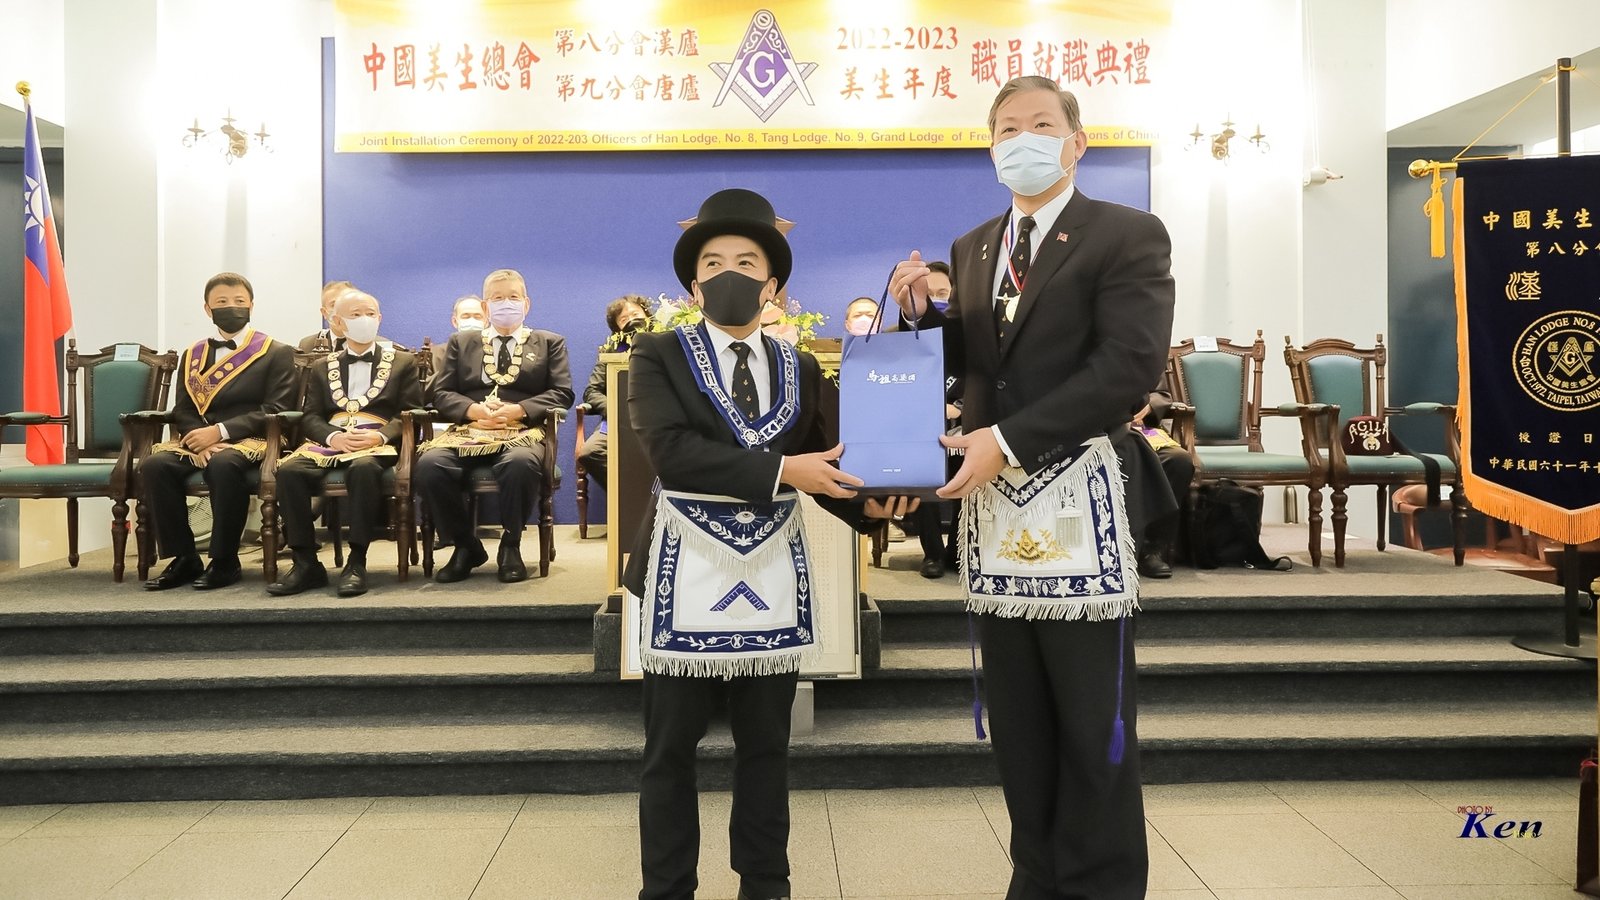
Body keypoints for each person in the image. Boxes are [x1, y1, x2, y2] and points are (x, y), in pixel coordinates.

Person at [889, 76, 1175, 899]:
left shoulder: (1126, 233)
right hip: (998, 509)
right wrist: (921, 321)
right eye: (1007, 128)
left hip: (1079, 496)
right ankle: (1038, 878)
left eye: (1042, 124)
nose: (1023, 139)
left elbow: (1127, 367)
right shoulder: (974, 245)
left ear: (1076, 142)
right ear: (990, 148)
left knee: (1092, 721)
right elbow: (982, 362)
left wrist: (1007, 440)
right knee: (1018, 722)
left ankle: (1101, 884)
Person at [625, 188, 908, 900]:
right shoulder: (658, 353)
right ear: (694, 286)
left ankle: (766, 884)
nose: (730, 274)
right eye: (713, 263)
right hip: (683, 573)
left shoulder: (801, 366)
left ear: (773, 283)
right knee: (669, 749)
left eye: (747, 262)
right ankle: (666, 889)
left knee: (766, 747)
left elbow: (826, 461)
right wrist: (785, 472)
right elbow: (671, 454)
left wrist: (877, 497)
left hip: (770, 571)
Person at [416, 268, 573, 584]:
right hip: (469, 431)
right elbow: (441, 393)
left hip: (521, 432)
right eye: (498, 298)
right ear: (486, 307)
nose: (506, 303)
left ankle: (510, 545)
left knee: (520, 464)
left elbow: (562, 392)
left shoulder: (549, 342)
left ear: (526, 304)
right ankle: (466, 545)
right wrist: (472, 410)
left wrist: (520, 409)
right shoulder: (461, 342)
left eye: (513, 297)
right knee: (430, 465)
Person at [141, 272, 296, 591]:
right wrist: (200, 440)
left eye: (239, 301)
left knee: (224, 465)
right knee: (155, 465)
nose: (232, 307)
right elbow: (184, 409)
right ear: (207, 309)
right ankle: (184, 557)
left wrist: (220, 432)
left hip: (254, 439)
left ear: (251, 305)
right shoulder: (192, 354)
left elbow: (275, 409)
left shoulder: (275, 351)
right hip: (200, 440)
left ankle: (225, 561)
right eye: (222, 301)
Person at [267, 289, 424, 597]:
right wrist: (333, 437)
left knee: (363, 469)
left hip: (376, 442)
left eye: (370, 314)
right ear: (337, 322)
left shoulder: (403, 362)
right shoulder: (322, 365)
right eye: (355, 315)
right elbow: (311, 416)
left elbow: (410, 413)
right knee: (289, 471)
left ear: (379, 318)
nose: (365, 320)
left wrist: (379, 435)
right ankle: (305, 563)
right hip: (332, 441)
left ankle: (357, 561)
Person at [576, 294, 651, 489]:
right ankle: (633, 495)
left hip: (659, 420)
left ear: (647, 315)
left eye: (636, 314)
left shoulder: (667, 343)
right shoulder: (610, 351)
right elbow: (592, 391)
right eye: (624, 319)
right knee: (591, 452)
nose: (631, 320)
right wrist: (616, 410)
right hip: (618, 420)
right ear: (617, 328)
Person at [1131, 391, 1193, 577]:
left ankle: (1152, 549)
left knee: (1178, 460)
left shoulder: (1140, 368)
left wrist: (1149, 406)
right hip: (1098, 430)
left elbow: (1162, 394)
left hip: (1141, 430)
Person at [433, 294, 487, 371]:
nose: (471, 320)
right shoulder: (437, 353)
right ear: (455, 322)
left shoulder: (494, 352)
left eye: (477, 317)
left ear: (486, 322)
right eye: (466, 317)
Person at [298, 280, 354, 351]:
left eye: (347, 303)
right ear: (324, 312)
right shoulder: (308, 345)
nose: (341, 309)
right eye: (334, 305)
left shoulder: (367, 343)